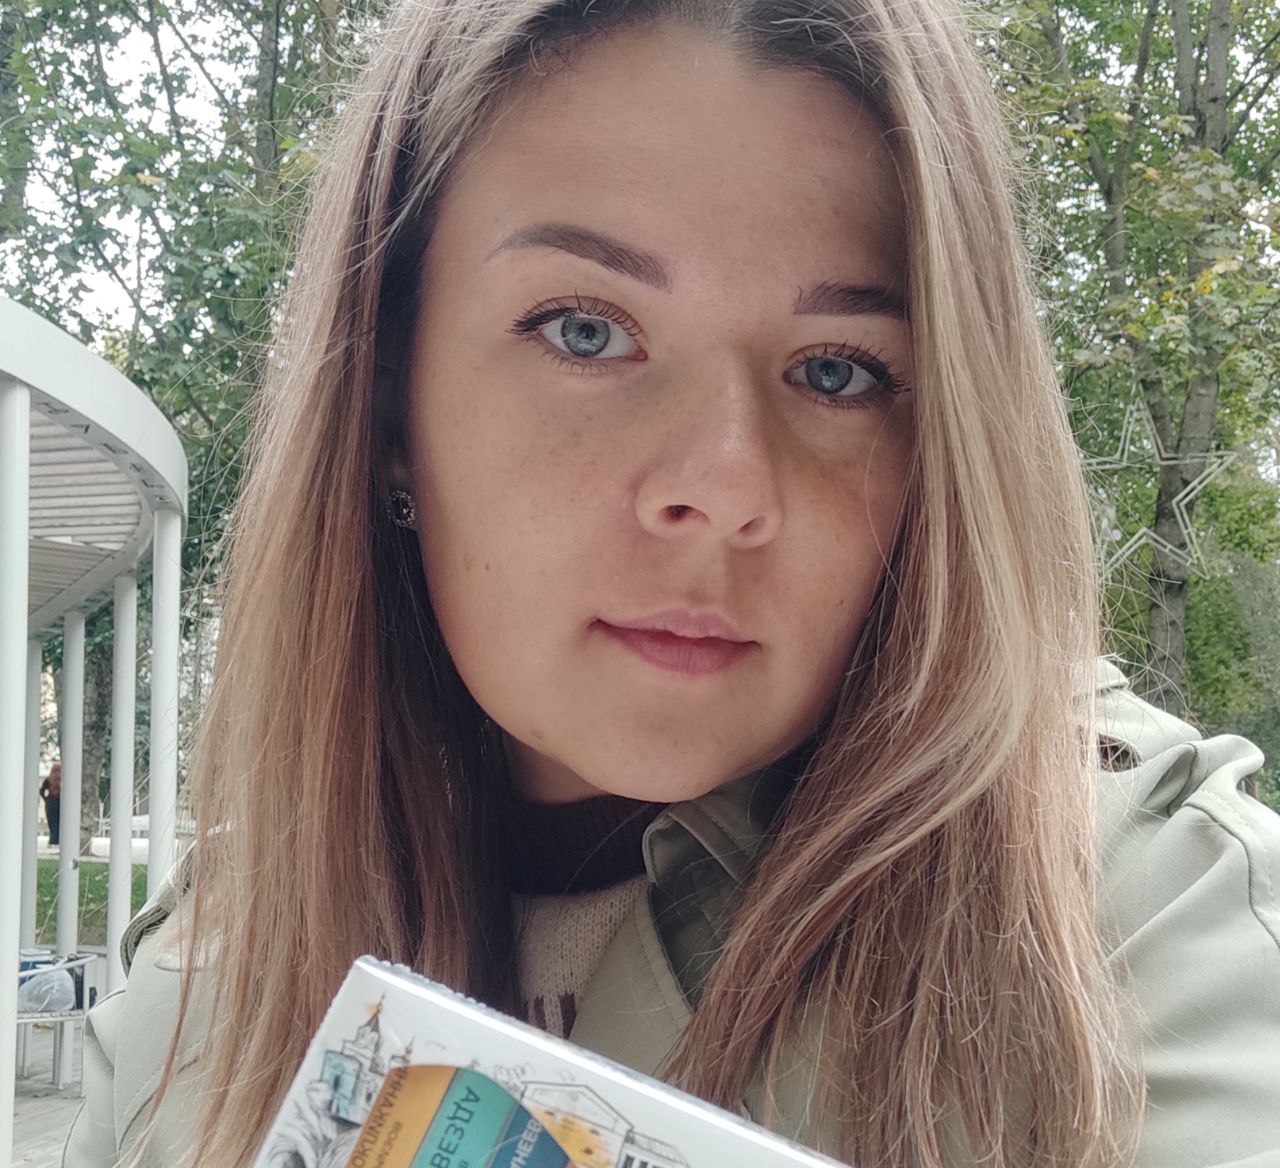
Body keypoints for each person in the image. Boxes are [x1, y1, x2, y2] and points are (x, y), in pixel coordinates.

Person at [65, 1, 1280, 1166]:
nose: (725, 482)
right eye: (584, 330)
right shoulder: (201, 993)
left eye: (837, 371)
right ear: (388, 407)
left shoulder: (1132, 919)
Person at [40, 760, 62, 847]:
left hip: (50, 802)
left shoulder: (48, 780)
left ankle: (52, 841)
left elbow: (41, 791)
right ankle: (58, 840)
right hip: (60, 802)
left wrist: (46, 799)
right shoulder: (62, 780)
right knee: (59, 822)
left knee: (52, 823)